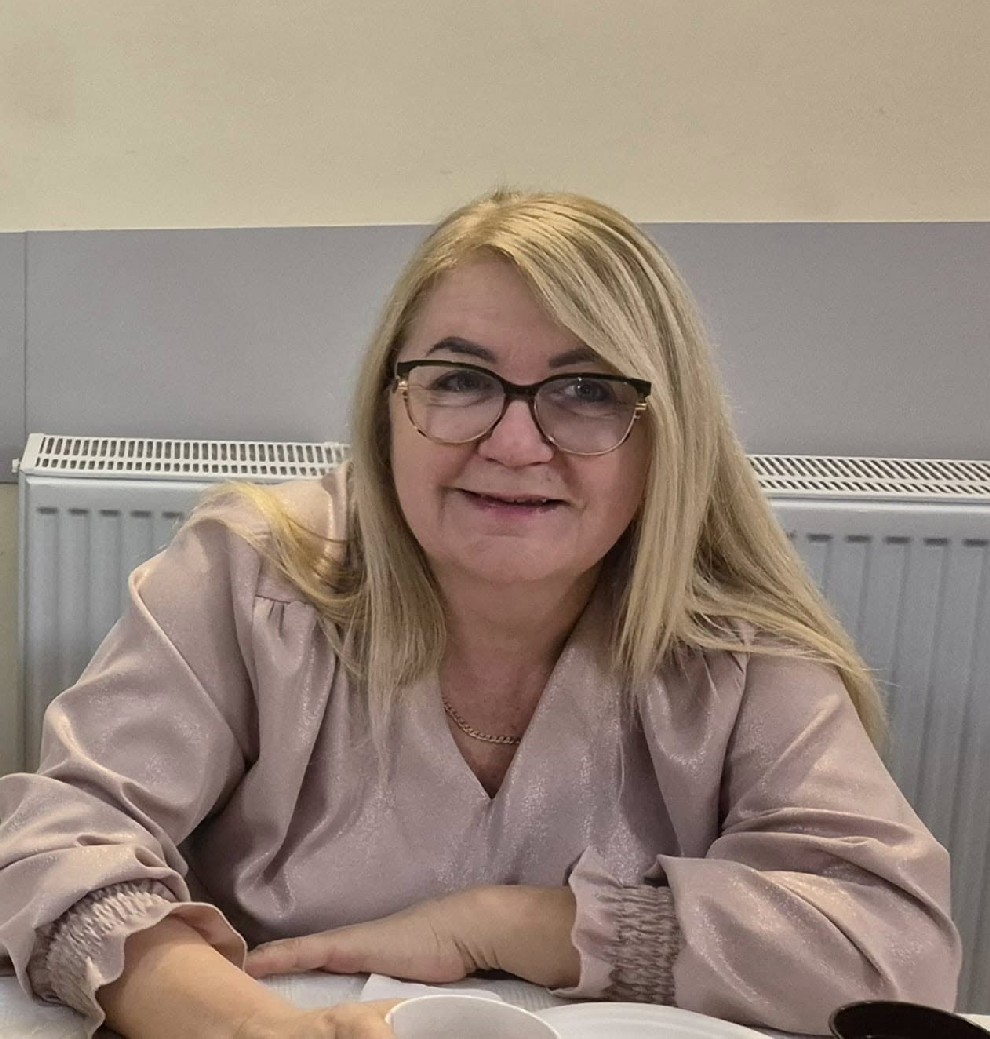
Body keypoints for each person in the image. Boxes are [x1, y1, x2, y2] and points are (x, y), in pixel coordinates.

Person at [0, 190, 961, 1038]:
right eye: (460, 380)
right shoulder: (252, 575)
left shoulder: (732, 640)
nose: (514, 442)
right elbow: (50, 849)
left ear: (665, 433)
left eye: (586, 390)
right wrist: (265, 1031)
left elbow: (895, 948)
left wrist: (509, 925)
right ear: (389, 404)